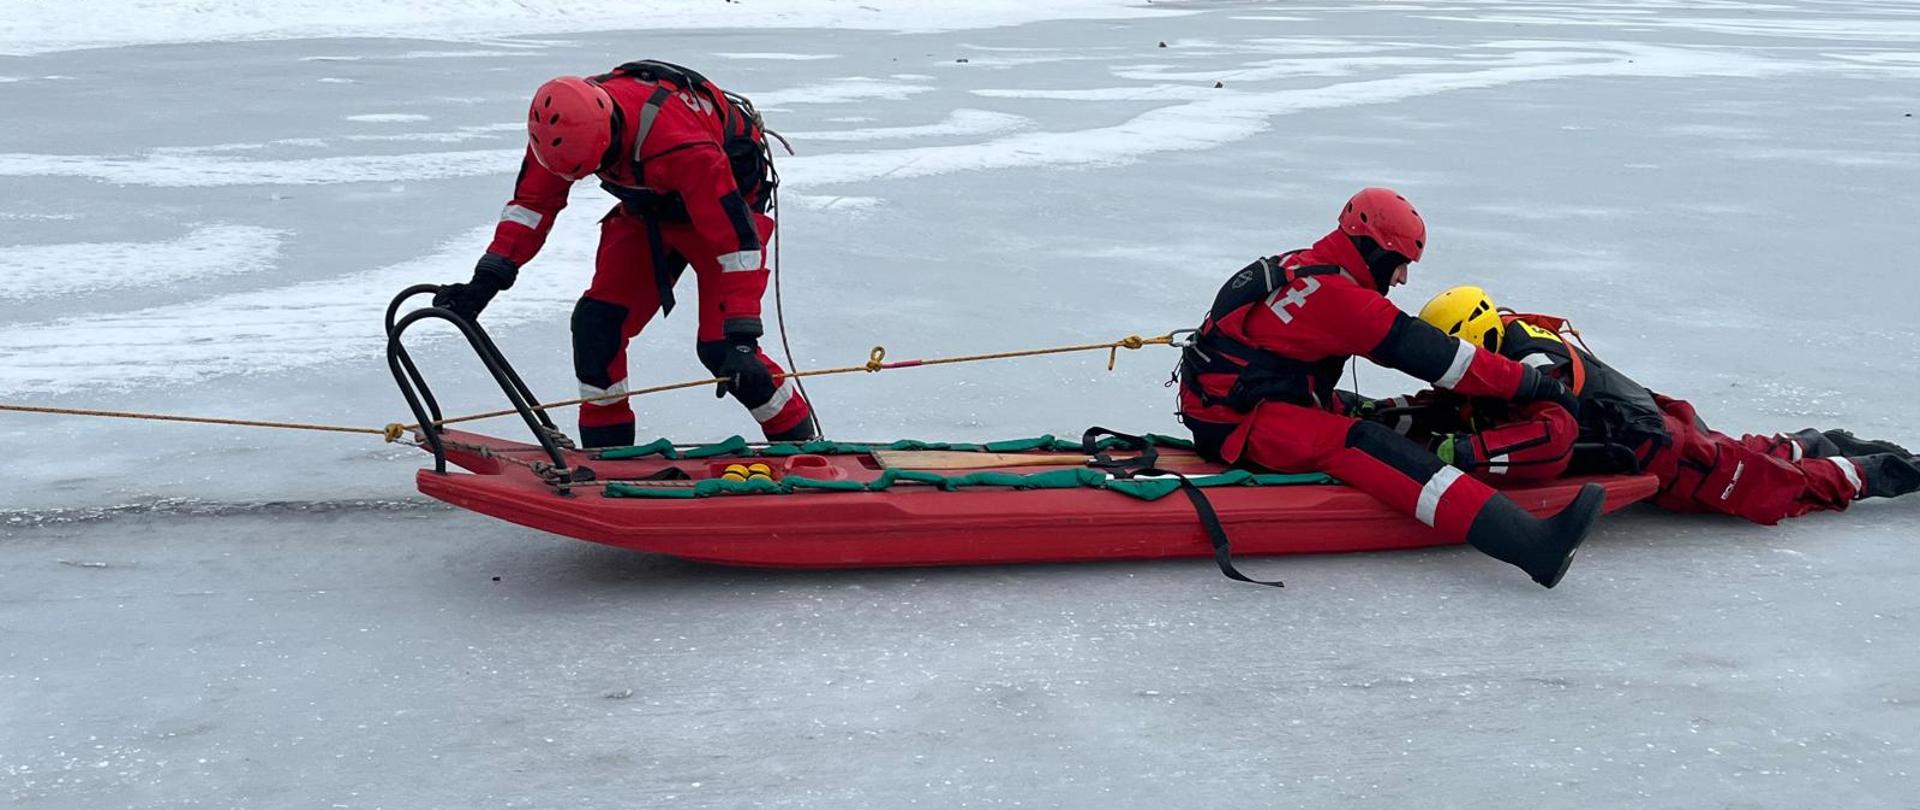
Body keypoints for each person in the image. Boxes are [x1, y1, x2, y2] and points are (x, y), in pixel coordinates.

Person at [1174, 188, 1607, 588]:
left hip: (1230, 400)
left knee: (1362, 411)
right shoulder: (1341, 298)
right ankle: (1533, 546)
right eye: (1400, 263)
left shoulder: (1304, 265)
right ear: (1375, 249)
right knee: (1364, 442)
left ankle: (1445, 451)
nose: (1401, 279)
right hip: (1238, 421)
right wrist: (1533, 385)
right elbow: (1441, 360)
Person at [433, 60, 816, 448]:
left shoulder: (681, 144)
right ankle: (608, 452)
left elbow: (736, 245)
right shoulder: (557, 133)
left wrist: (743, 336)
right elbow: (532, 206)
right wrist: (488, 278)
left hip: (727, 214)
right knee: (598, 326)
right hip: (649, 212)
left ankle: (803, 445)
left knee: (723, 351)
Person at [1406, 285, 1920, 522]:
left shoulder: (1538, 370)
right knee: (1741, 454)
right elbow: (1457, 403)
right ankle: (1814, 442)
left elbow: (1552, 437)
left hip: (1661, 450)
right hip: (1647, 421)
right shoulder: (1500, 349)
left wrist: (1465, 453)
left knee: (1776, 489)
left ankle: (1883, 471)